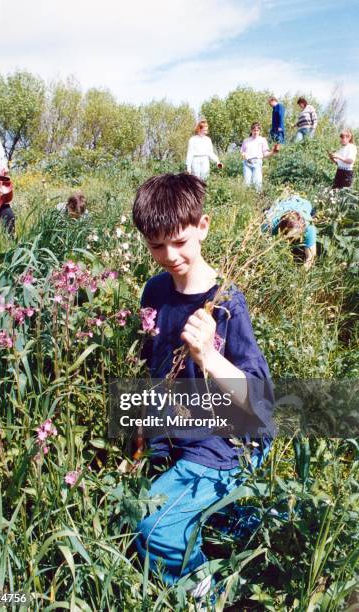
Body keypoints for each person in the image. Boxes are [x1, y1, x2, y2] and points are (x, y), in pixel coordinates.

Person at [132, 173, 273, 599]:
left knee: (152, 526)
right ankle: (248, 526)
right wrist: (142, 438)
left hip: (226, 443)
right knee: (128, 512)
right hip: (176, 437)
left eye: (179, 241)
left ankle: (209, 597)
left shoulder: (226, 303)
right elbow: (151, 370)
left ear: (204, 226)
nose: (170, 255)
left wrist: (208, 356)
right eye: (157, 245)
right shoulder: (154, 291)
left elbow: (260, 402)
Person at [263, 194, 316, 270]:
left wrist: (300, 274)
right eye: (288, 237)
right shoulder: (271, 223)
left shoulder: (309, 227)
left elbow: (311, 258)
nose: (289, 241)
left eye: (292, 238)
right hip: (283, 204)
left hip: (303, 204)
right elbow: (262, 243)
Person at [240, 122, 278, 191]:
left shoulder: (262, 140)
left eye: (257, 130)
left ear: (259, 131)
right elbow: (242, 151)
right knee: (246, 183)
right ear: (251, 130)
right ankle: (247, 198)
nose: (256, 132)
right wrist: (243, 154)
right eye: (254, 130)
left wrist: (273, 152)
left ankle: (258, 198)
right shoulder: (246, 140)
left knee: (257, 183)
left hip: (257, 162)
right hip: (247, 163)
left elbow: (265, 154)